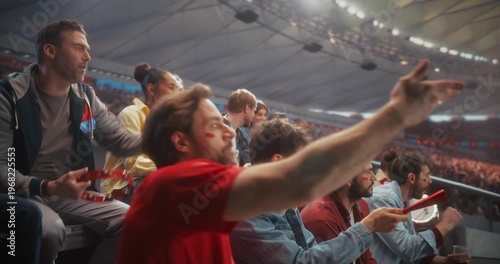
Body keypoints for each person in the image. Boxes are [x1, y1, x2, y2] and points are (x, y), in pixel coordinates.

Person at [116, 60, 464, 264]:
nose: (229, 129)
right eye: (215, 124)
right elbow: (299, 181)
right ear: (181, 142)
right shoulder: (171, 185)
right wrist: (395, 115)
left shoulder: (206, 200)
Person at [0, 19, 141, 263]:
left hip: (69, 193)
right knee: (49, 229)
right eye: (79, 48)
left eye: (87, 50)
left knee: (135, 221)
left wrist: (162, 134)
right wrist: (47, 186)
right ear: (50, 51)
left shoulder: (85, 95)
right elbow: (2, 168)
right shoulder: (9, 95)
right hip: (23, 194)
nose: (87, 57)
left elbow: (119, 141)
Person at [230, 120, 403, 264]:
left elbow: (311, 249)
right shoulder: (246, 213)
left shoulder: (283, 200)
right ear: (278, 162)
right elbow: (303, 261)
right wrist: (367, 227)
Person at [101, 63, 183, 203]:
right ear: (151, 88)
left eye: (178, 89)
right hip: (122, 191)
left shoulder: (168, 124)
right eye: (171, 87)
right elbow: (134, 165)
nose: (177, 93)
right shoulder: (131, 114)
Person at [365, 152, 466, 263]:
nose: (430, 181)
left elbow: (409, 252)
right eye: (426, 175)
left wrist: (443, 261)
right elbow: (406, 249)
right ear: (412, 178)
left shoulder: (403, 200)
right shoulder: (384, 199)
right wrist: (445, 225)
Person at [300, 163, 378, 264]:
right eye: (368, 172)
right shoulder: (321, 218)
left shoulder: (361, 205)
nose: (374, 177)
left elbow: (366, 257)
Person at [224, 88, 257, 165]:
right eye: (254, 111)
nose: (253, 115)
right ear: (247, 109)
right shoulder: (218, 131)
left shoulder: (239, 134)